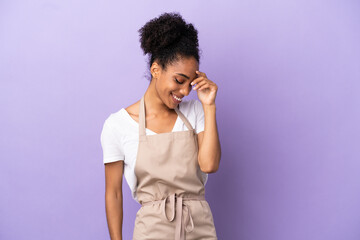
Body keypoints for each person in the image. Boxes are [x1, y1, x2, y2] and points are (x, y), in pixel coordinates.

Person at [100, 12, 221, 240]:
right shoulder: (118, 125)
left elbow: (209, 165)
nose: (185, 92)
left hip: (199, 228)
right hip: (152, 231)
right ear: (156, 70)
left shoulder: (195, 111)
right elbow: (114, 194)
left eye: (190, 83)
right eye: (179, 80)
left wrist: (209, 105)